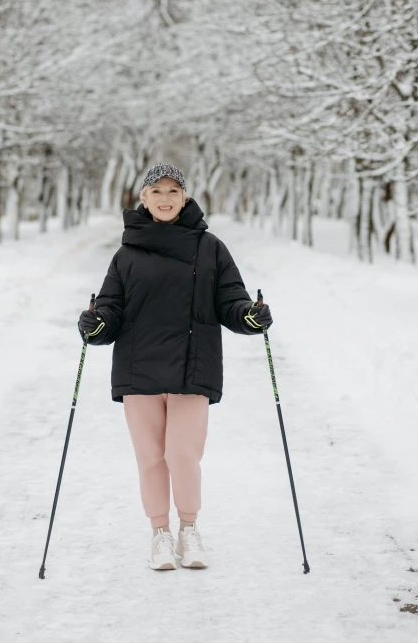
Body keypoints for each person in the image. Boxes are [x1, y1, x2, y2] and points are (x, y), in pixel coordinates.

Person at [78, 162, 272, 571]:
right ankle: (160, 535)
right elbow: (110, 310)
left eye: (172, 191)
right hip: (139, 368)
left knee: (182, 454)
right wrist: (96, 325)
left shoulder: (210, 247)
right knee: (150, 456)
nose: (165, 199)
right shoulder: (126, 253)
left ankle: (189, 529)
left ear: (184, 197)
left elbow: (230, 300)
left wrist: (248, 316)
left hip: (192, 367)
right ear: (143, 199)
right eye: (156, 192)